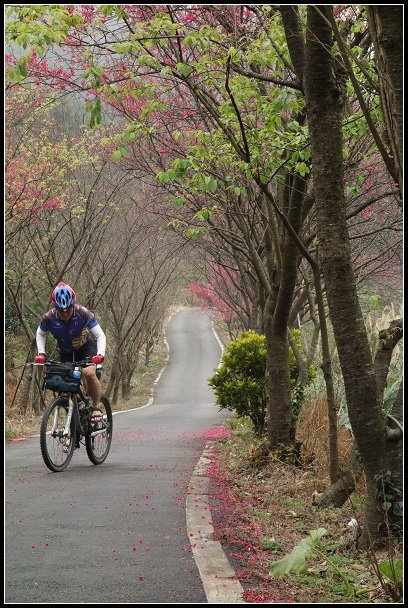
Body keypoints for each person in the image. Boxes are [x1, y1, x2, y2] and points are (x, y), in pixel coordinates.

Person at [34, 282, 106, 423]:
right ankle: (72, 424)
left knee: (89, 373)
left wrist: (100, 354)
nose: (65, 313)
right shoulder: (48, 317)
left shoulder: (83, 313)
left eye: (68, 309)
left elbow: (100, 335)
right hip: (65, 352)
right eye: (61, 311)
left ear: (73, 305)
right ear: (56, 308)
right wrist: (41, 353)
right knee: (65, 385)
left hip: (85, 349)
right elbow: (40, 334)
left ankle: (96, 406)